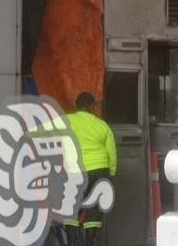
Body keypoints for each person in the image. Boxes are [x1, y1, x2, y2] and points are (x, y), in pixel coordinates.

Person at [66, 92, 117, 246]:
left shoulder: (67, 121)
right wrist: (112, 173)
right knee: (94, 211)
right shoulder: (102, 125)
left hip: (75, 172)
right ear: (91, 107)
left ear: (77, 106)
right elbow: (112, 153)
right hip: (100, 171)